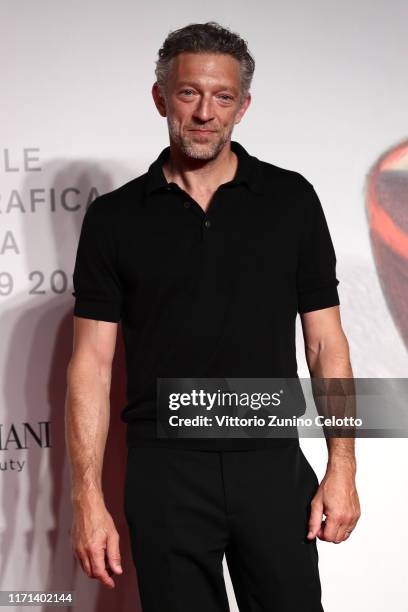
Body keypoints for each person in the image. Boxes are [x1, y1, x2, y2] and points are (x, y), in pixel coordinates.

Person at [65, 21, 361, 612]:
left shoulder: (291, 199)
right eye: (188, 93)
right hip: (165, 470)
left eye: (222, 97)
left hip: (270, 460)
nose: (205, 112)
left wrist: (343, 466)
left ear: (243, 106)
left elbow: (326, 343)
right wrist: (87, 501)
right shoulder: (116, 219)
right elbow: (91, 365)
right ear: (160, 99)